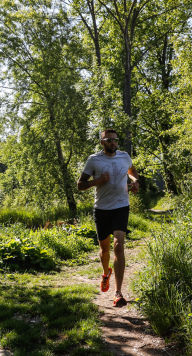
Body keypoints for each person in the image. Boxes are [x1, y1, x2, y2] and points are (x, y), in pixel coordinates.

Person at [77, 128, 140, 307]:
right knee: (105, 251)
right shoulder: (94, 160)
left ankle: (118, 292)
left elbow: (132, 170)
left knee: (118, 247)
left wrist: (135, 181)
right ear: (102, 142)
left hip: (121, 207)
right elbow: (80, 185)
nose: (114, 143)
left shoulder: (124, 156)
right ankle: (106, 273)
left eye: (115, 140)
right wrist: (97, 181)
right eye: (109, 140)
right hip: (102, 209)